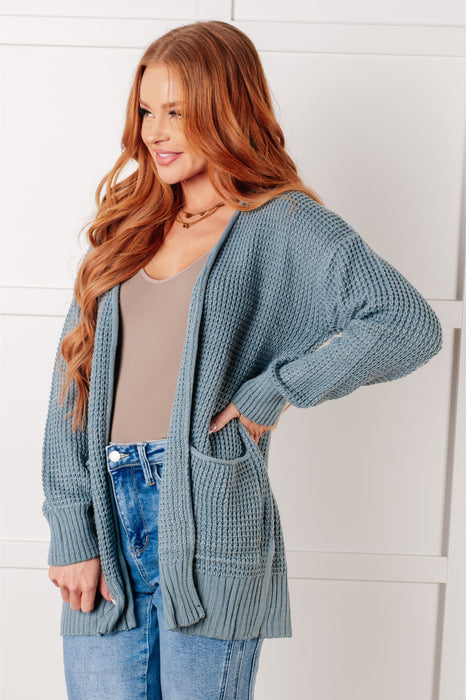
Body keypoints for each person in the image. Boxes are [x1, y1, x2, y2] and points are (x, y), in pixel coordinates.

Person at [41, 19, 443, 700]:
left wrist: (271, 392)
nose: (156, 132)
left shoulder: (281, 224)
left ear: (227, 109)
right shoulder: (128, 227)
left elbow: (405, 323)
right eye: (147, 111)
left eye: (177, 112)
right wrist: (70, 527)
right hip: (107, 515)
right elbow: (70, 385)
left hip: (211, 511)